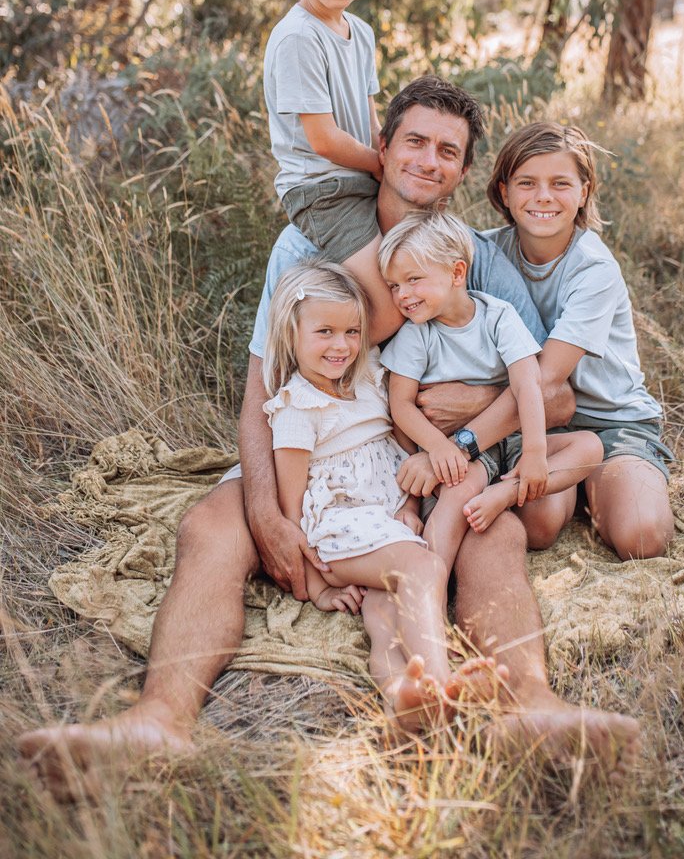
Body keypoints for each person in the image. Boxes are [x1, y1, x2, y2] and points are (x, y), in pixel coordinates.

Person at [18, 83, 640, 797]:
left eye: (449, 151)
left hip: (423, 456)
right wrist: (268, 517)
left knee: (488, 531)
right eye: (414, 141)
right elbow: (261, 396)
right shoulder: (305, 241)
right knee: (212, 526)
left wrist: (467, 412)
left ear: (465, 173)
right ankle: (158, 721)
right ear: (381, 146)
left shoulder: (473, 256)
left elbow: (552, 394)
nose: (429, 161)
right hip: (312, 443)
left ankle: (531, 706)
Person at [227, 259, 501, 730]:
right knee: (422, 567)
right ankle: (441, 679)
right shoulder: (298, 406)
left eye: (352, 332)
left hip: (383, 514)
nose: (341, 345)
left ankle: (405, 698)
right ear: (291, 335)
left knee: (382, 611)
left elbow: (399, 448)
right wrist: (317, 585)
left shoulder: (368, 377)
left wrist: (409, 506)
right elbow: (295, 512)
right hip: (340, 525)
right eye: (325, 332)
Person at [399, 122, 674, 561]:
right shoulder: (482, 255)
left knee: (641, 536)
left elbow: (545, 381)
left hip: (608, 420)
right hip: (536, 426)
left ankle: (613, 478)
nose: (543, 196)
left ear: (584, 192)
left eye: (560, 183)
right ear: (504, 192)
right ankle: (572, 491)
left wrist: (463, 437)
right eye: (527, 183)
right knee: (540, 526)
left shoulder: (592, 269)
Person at [378, 210, 603, 575]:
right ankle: (426, 582)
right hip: (460, 453)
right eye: (394, 286)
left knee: (590, 446)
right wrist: (436, 447)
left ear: (456, 273)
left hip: (510, 438)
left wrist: (534, 451)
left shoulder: (497, 316)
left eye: (413, 280)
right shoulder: (417, 334)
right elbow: (400, 404)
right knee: (456, 497)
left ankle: (506, 493)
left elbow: (528, 384)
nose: (403, 295)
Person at [265, 0, 400, 339]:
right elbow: (323, 139)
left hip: (359, 178)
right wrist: (382, 167)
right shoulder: (298, 38)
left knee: (420, 264)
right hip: (321, 191)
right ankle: (338, 389)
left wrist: (390, 160)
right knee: (389, 307)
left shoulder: (359, 33)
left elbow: (367, 118)